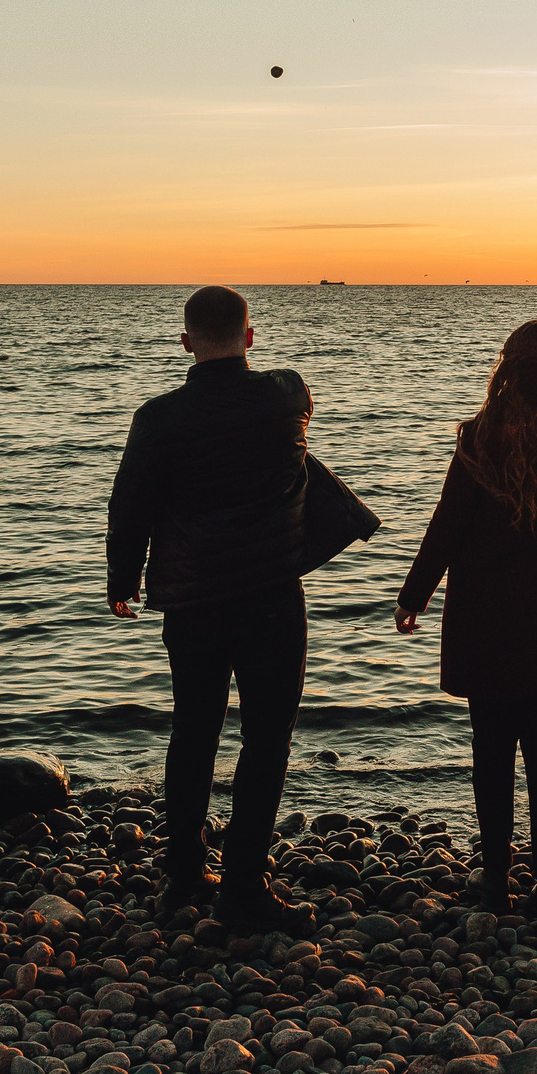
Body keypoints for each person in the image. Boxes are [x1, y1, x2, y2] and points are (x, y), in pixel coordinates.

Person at [107, 286, 317, 934]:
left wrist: (124, 579)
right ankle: (245, 887)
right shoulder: (286, 395)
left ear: (186, 341)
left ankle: (185, 875)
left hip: (194, 602)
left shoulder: (158, 417)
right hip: (272, 599)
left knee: (193, 733)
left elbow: (130, 505)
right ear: (250, 337)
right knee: (265, 742)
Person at [394, 320, 537, 915]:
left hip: (488, 621)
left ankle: (494, 881)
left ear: (506, 369)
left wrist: (413, 596)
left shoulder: (479, 440)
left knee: (490, 752)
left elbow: (446, 527)